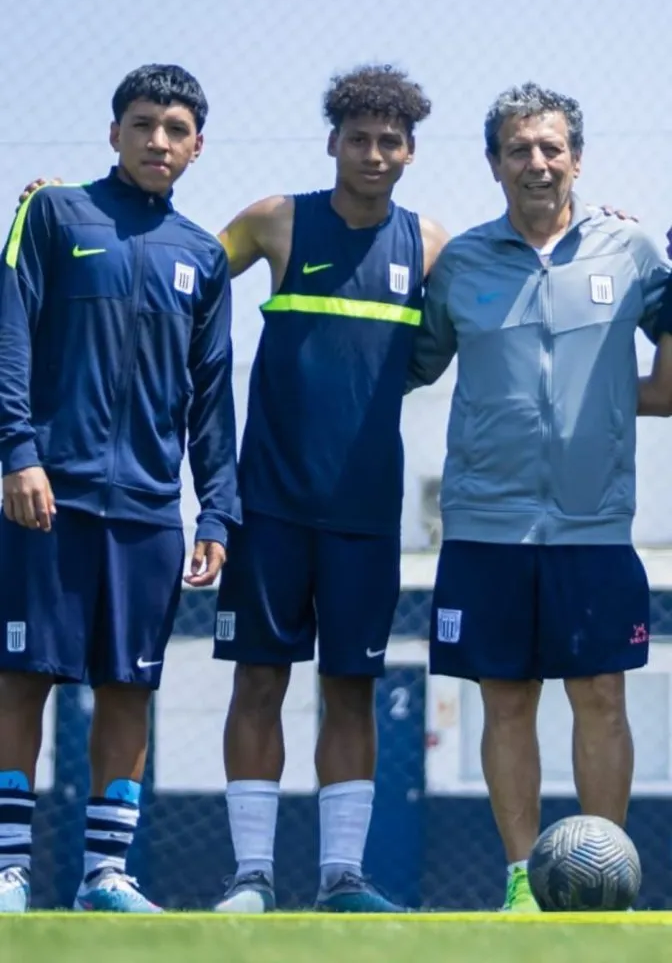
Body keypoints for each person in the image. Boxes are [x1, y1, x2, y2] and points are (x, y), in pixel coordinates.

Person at [405, 81, 671, 913]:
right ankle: (523, 880)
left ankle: (607, 882)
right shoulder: (462, 265)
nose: (537, 162)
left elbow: (665, 383)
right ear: (494, 163)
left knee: (600, 697)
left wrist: (595, 397)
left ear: (578, 158)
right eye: (519, 148)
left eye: (552, 147)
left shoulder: (631, 253)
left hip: (595, 525)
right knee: (506, 700)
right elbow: (410, 363)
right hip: (486, 524)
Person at [0, 64, 240, 913]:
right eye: (142, 124)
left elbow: (214, 397)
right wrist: (17, 452)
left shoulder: (204, 256)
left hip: (148, 512)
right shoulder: (55, 213)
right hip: (47, 497)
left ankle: (105, 876)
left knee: (130, 688)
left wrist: (216, 507)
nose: (158, 142)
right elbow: (10, 336)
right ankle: (8, 872)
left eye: (176, 130)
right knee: (20, 677)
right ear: (114, 132)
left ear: (198, 146)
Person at [210, 64, 448, 913]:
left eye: (390, 141)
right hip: (267, 504)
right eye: (359, 139)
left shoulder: (429, 247)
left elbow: (496, 294)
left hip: (364, 514)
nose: (374, 154)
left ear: (411, 150)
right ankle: (252, 879)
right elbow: (175, 277)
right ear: (332, 142)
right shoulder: (278, 221)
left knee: (351, 688)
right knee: (259, 681)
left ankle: (342, 878)